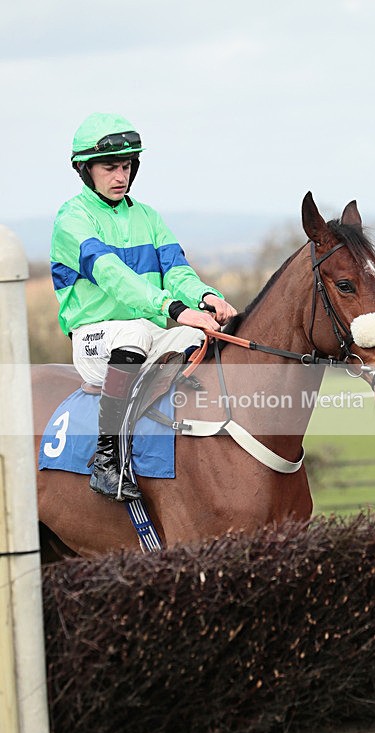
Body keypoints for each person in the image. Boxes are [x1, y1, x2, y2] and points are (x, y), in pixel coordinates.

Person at [50, 112, 237, 502]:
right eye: (109, 167)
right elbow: (113, 275)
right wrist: (171, 306)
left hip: (149, 333)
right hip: (95, 336)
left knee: (200, 335)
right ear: (84, 170)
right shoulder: (73, 219)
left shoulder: (148, 217)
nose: (120, 175)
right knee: (135, 331)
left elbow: (177, 270)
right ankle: (107, 460)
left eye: (126, 166)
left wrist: (204, 297)